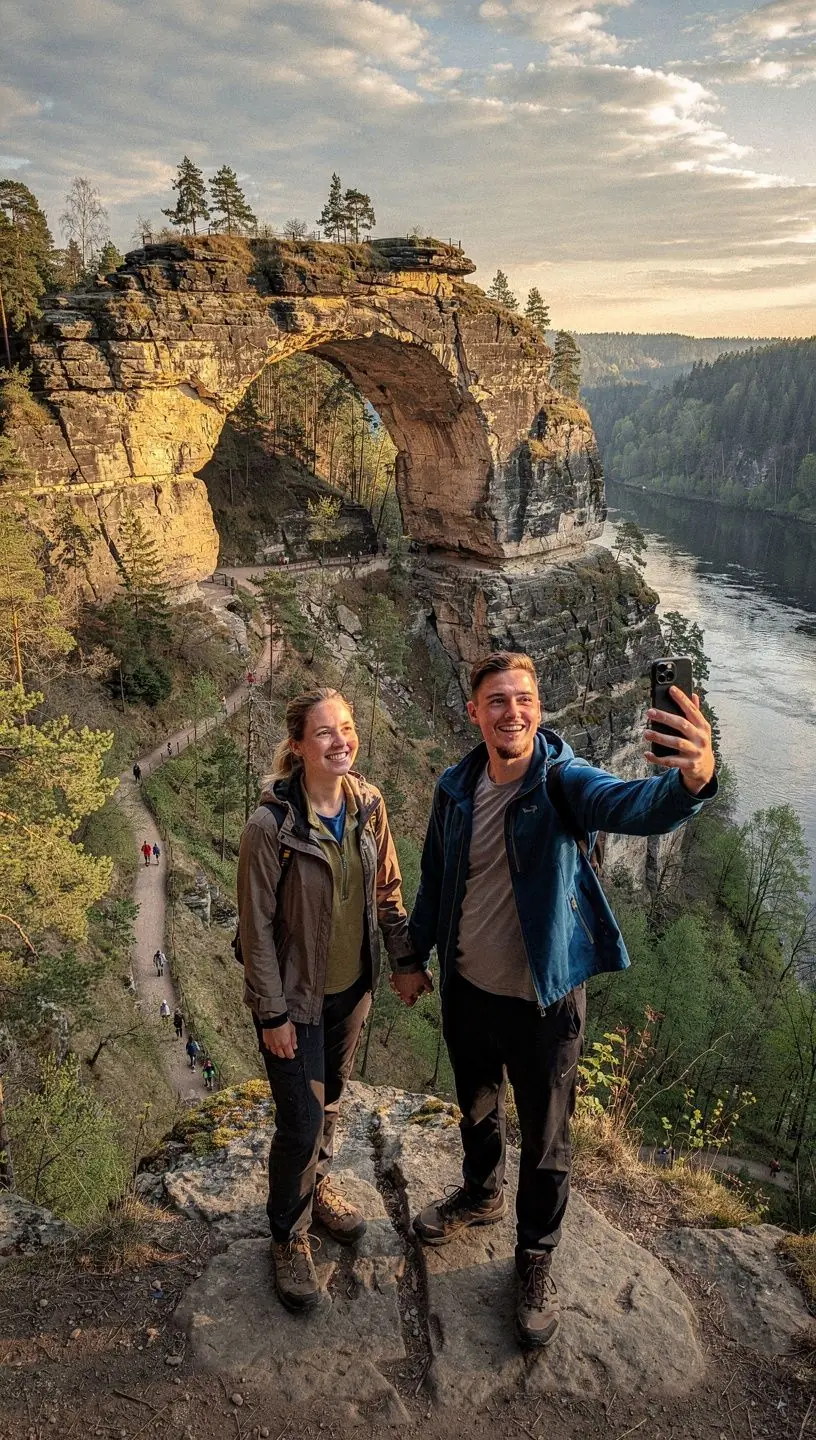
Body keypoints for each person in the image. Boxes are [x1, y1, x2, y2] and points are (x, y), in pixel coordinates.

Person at [401, 650, 717, 1351]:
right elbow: (432, 880)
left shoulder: (564, 782)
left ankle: (535, 1255)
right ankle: (481, 1194)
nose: (512, 710)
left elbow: (634, 804)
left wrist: (694, 779)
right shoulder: (455, 787)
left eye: (524, 699)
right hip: (468, 992)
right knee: (477, 1110)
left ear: (538, 709)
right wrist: (409, 958)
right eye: (497, 700)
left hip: (545, 1004)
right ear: (474, 712)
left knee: (546, 1143)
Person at [237, 687, 416, 1315]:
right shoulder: (271, 829)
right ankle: (287, 1234)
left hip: (352, 991)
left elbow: (388, 889)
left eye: (346, 727)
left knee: (332, 1102)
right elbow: (256, 928)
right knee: (302, 1119)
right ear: (297, 746)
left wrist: (404, 961)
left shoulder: (368, 806)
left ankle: (316, 1188)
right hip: (296, 1002)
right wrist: (272, 1014)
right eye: (323, 733)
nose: (341, 741)